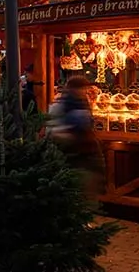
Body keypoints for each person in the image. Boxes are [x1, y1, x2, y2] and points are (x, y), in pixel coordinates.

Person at [46, 76, 104, 208]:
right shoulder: (60, 106)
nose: (85, 91)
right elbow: (52, 129)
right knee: (76, 189)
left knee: (86, 189)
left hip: (85, 155)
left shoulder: (83, 104)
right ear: (73, 89)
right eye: (83, 88)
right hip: (70, 155)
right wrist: (68, 136)